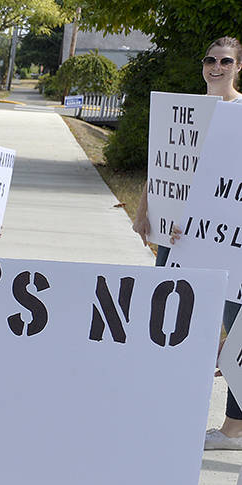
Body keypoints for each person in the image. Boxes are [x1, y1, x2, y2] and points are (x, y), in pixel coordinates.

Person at [132, 37, 242, 449]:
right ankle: (161, 405)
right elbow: (166, 167)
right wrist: (146, 209)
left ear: (238, 66)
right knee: (166, 318)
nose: (216, 67)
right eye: (210, 60)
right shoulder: (187, 114)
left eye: (225, 61)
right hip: (179, 239)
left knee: (236, 333)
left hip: (229, 242)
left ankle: (234, 428)